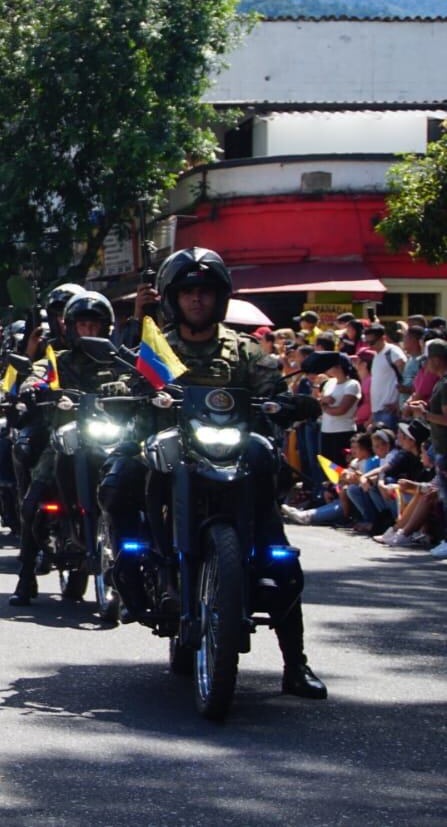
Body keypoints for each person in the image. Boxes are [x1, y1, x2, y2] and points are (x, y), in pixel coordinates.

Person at [109, 247, 326, 699]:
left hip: (235, 454)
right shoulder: (157, 347)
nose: (196, 300)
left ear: (220, 297)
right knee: (119, 479)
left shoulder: (246, 351)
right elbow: (125, 380)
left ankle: (296, 664)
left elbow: (275, 390)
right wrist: (123, 394)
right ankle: (131, 570)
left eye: (205, 292)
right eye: (187, 291)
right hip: (171, 450)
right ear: (172, 297)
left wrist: (290, 402)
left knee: (281, 553)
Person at [8, 291, 125, 606]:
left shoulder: (118, 362)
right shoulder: (58, 360)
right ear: (71, 327)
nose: (88, 331)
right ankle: (25, 575)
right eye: (82, 324)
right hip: (65, 440)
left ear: (106, 328)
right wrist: (33, 390)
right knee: (32, 502)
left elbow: (141, 380)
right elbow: (37, 376)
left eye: (94, 325)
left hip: (109, 439)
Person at [317, 355, 361, 466]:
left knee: (341, 466)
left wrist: (324, 406)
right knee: (328, 467)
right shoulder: (329, 383)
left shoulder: (352, 385)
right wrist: (323, 401)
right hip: (326, 431)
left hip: (343, 432)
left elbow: (341, 410)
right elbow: (319, 401)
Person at [365, 323, 405, 428]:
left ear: (383, 338)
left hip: (389, 410)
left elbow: (404, 373)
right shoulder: (377, 355)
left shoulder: (392, 351)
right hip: (378, 410)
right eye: (367, 342)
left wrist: (398, 403)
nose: (369, 346)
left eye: (372, 342)